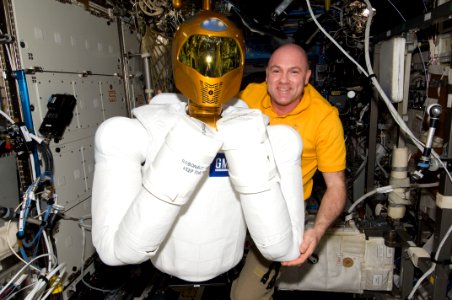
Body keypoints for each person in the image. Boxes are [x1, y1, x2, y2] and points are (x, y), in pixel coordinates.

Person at [91, 8, 305, 284]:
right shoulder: (136, 132)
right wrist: (187, 148)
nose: (211, 68)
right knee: (114, 133)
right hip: (168, 259)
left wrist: (246, 146)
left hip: (228, 257)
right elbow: (115, 251)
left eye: (222, 58)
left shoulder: (266, 136)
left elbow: (281, 246)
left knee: (285, 139)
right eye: (201, 56)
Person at [230, 43, 347, 299]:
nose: (283, 81)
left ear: (307, 77)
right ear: (267, 74)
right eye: (276, 71)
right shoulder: (248, 98)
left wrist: (316, 231)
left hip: (279, 212)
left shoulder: (324, 118)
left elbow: (336, 186)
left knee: (244, 297)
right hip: (236, 199)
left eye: (294, 72)